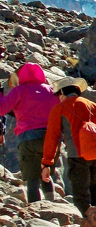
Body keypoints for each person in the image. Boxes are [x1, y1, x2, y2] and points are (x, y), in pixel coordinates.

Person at [41, 77, 96, 214]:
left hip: (78, 157)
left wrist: (47, 164)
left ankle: (87, 225)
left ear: (62, 93)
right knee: (95, 189)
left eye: (58, 95)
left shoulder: (59, 109)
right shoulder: (94, 106)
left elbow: (52, 138)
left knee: (81, 194)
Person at [0, 64, 60, 202]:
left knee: (32, 177)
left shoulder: (20, 90)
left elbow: (2, 109)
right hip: (52, 137)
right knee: (46, 174)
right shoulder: (52, 90)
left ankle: (36, 208)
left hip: (29, 137)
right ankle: (52, 205)